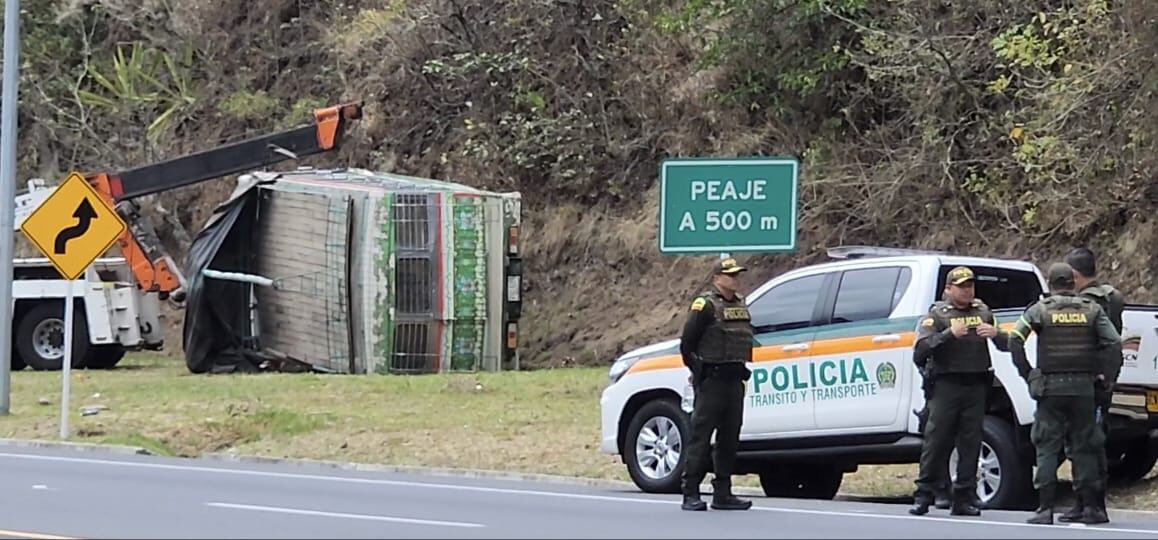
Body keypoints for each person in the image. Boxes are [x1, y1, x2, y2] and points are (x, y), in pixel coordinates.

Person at [1008, 262, 1120, 525]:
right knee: (1085, 446)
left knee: (1047, 446)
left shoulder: (1039, 310)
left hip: (1050, 388)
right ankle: (1090, 508)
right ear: (1073, 281)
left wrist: (1029, 374)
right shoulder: (1092, 310)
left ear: (1050, 283)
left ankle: (1045, 509)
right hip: (1083, 388)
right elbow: (1113, 341)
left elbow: (1015, 339)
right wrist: (1107, 377)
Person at [909, 266, 1011, 517]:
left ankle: (964, 495)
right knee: (937, 440)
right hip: (946, 384)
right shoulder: (938, 315)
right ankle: (924, 494)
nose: (967, 291)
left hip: (976, 383)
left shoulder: (983, 311)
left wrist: (996, 334)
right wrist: (947, 335)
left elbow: (1009, 344)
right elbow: (920, 351)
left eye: (970, 286)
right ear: (948, 289)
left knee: (971, 441)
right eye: (962, 286)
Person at [678, 257, 754, 512]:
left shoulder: (740, 304)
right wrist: (699, 371)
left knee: (729, 439)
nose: (735, 279)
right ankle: (690, 492)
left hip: (734, 381)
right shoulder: (705, 306)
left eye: (737, 275)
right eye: (730, 275)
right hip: (712, 381)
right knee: (700, 438)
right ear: (717, 278)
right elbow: (687, 344)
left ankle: (723, 493)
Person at [1057, 247, 1125, 522]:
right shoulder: (1112, 296)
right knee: (1091, 442)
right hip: (1102, 381)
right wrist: (1109, 377)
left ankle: (1092, 505)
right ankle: (1087, 502)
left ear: (1073, 274)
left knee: (1081, 444)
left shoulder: (1084, 303)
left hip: (1085, 382)